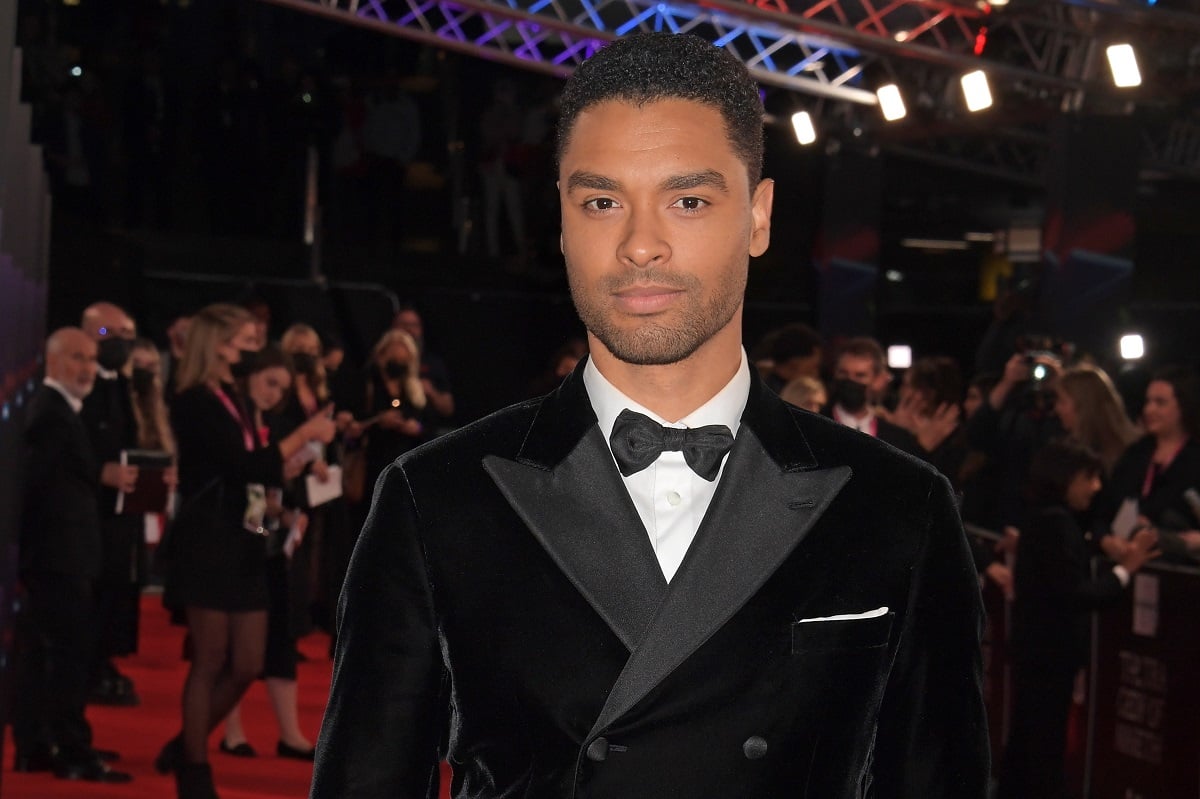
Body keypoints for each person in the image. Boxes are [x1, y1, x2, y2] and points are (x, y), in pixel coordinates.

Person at [313, 33, 988, 798]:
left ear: (759, 216)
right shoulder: (435, 497)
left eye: (688, 200)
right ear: (563, 222)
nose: (639, 244)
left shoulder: (899, 506)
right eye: (602, 201)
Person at [155, 304, 335, 799]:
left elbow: (255, 472)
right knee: (210, 658)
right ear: (216, 344)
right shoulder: (194, 400)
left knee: (248, 663)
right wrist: (303, 436)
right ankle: (194, 767)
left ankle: (186, 742)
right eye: (242, 343)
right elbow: (240, 465)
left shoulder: (230, 396)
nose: (250, 351)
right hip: (208, 540)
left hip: (244, 538)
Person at [998, 441, 1159, 799]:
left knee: (1026, 742)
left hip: (1034, 652)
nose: (1097, 487)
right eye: (1090, 477)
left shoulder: (1042, 520)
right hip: (1049, 656)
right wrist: (1125, 571)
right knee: (1042, 747)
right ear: (1067, 478)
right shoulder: (1056, 524)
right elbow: (1078, 593)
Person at [13, 328, 133, 783]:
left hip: (60, 555)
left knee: (44, 655)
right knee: (66, 655)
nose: (86, 368)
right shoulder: (51, 415)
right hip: (56, 557)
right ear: (52, 361)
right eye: (76, 358)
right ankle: (71, 749)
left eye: (90, 359)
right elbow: (34, 488)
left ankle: (38, 745)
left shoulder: (62, 412)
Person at [218, 345, 319, 762]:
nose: (275, 393)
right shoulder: (234, 420)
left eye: (282, 388)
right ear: (249, 377)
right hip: (232, 544)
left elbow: (269, 484)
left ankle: (291, 733)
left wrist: (287, 500)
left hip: (270, 542)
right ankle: (231, 731)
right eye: (269, 382)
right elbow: (238, 478)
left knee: (281, 634)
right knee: (231, 644)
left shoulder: (273, 425)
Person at [1096, 365, 1200, 561]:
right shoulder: (1136, 453)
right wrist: (1106, 540)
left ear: (1185, 405)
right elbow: (1103, 511)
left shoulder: (1195, 458)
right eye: (1148, 401)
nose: (1149, 409)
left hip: (1180, 570)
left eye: (1160, 403)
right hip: (1126, 565)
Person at [827, 336, 921, 456]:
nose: (850, 381)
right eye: (843, 373)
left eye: (860, 375)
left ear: (877, 380)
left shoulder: (896, 438)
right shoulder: (815, 427)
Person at [1053, 364, 1140, 475]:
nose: (1056, 408)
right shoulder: (1065, 451)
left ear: (1084, 405)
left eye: (1062, 401)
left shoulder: (1133, 454)